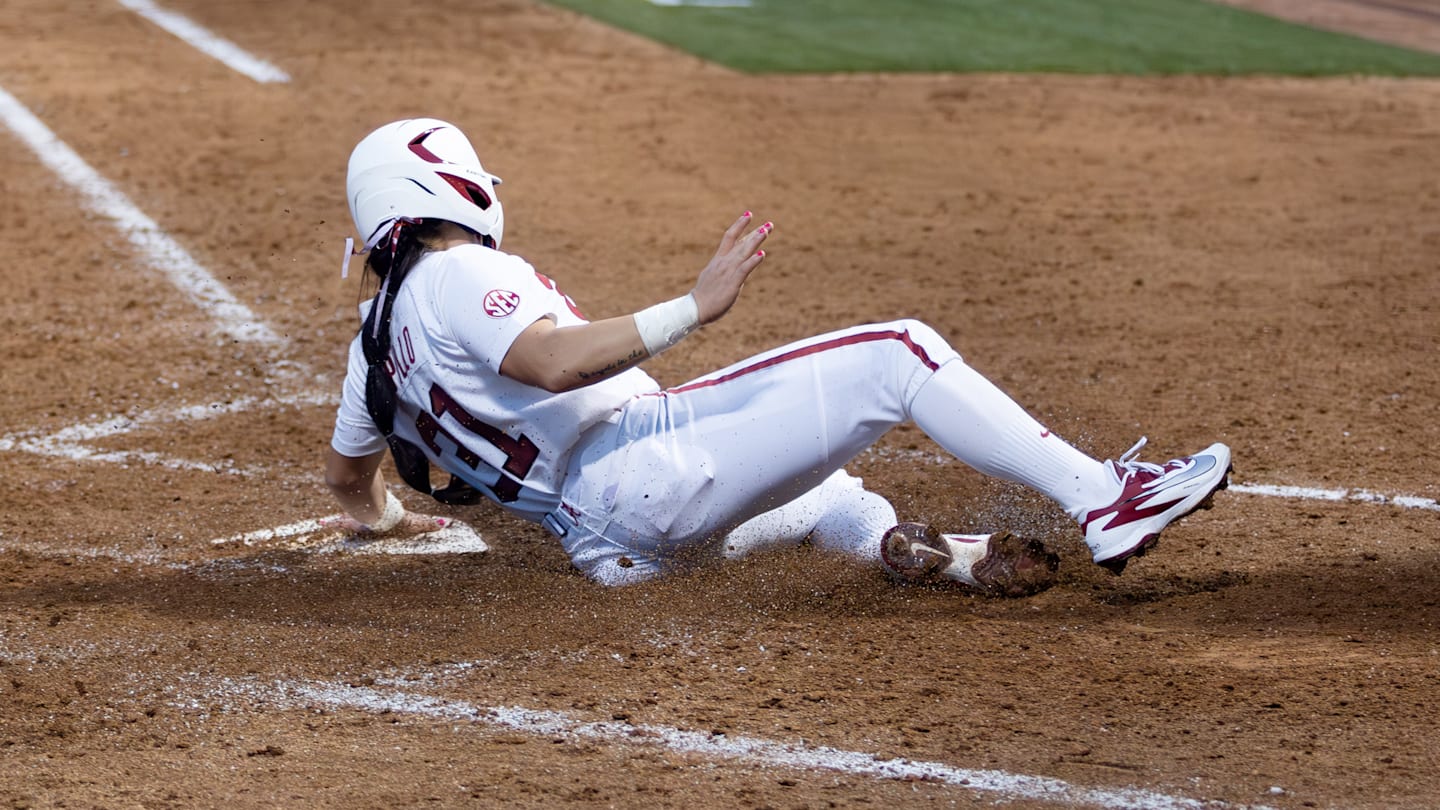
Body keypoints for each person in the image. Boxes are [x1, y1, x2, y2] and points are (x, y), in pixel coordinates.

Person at [323, 118, 1232, 595]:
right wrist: (692, 307)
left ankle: (914, 552)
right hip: (647, 467)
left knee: (834, 497)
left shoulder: (371, 347)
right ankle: (1105, 500)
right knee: (899, 353)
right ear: (441, 184)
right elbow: (552, 362)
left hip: (609, 551)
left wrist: (390, 523)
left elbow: (346, 483)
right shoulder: (456, 273)